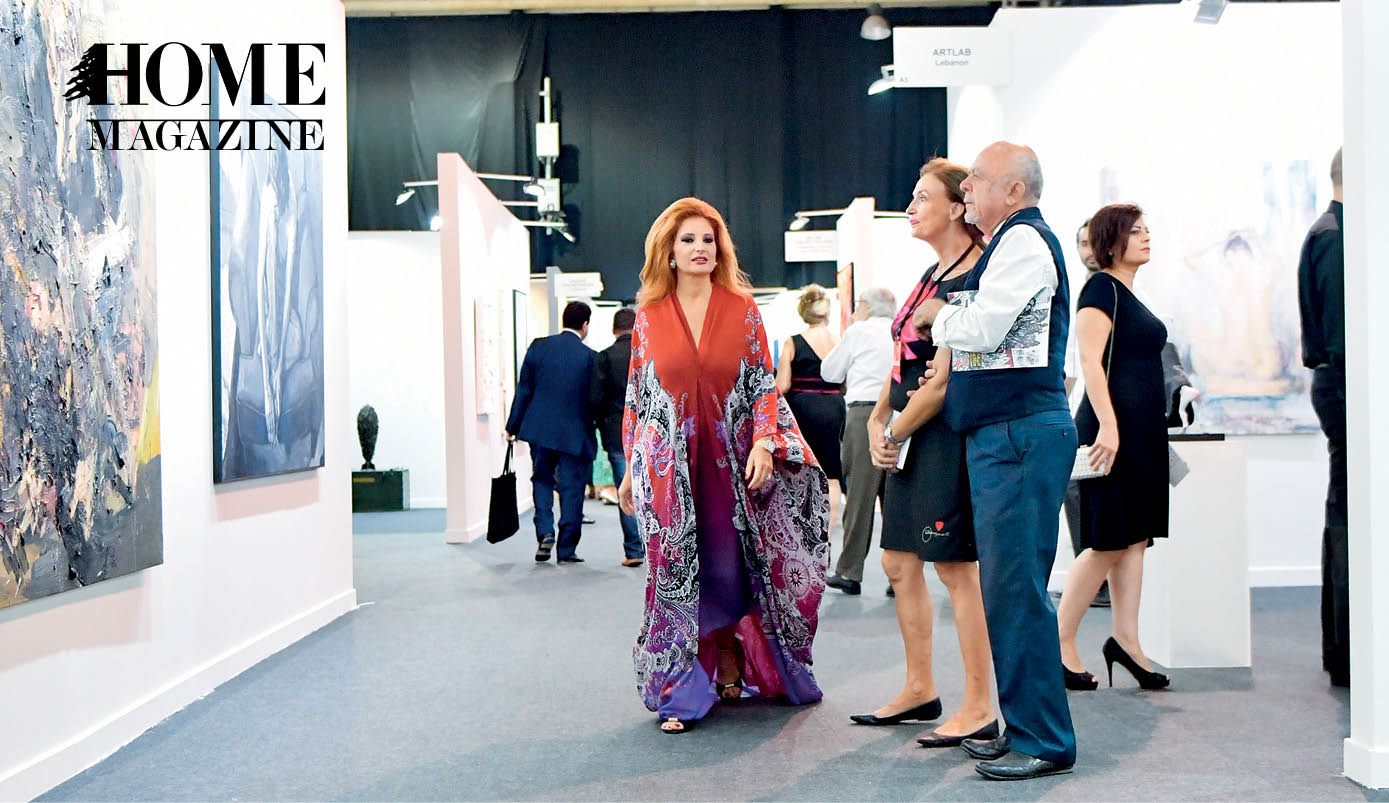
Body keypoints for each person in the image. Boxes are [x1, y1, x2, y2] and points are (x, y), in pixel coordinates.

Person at [617, 197, 830, 734]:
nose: (700, 249)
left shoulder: (742, 309)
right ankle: (682, 688)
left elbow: (762, 383)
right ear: (668, 251)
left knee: (731, 565)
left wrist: (764, 443)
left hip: (732, 464)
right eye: (688, 240)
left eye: (708, 240)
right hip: (671, 470)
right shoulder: (648, 318)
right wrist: (628, 469)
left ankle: (732, 655)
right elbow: (638, 398)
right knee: (676, 569)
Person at [911, 142, 1076, 781]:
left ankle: (1044, 739)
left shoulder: (1024, 242)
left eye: (978, 178)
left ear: (1013, 190)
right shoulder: (1011, 243)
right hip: (1005, 434)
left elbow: (984, 327)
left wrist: (939, 314)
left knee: (1016, 591)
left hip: (1018, 434)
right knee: (1005, 592)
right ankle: (1024, 726)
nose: (968, 187)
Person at [854, 158, 999, 750]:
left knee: (955, 569)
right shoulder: (929, 275)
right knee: (897, 561)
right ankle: (920, 688)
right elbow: (904, 363)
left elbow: (942, 383)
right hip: (910, 434)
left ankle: (980, 705)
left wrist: (892, 431)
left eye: (922, 197)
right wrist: (877, 419)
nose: (911, 208)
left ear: (958, 207)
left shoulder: (973, 278)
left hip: (943, 436)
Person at [1055, 204, 1171, 694]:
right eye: (1135, 231)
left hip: (1140, 432)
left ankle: (1127, 642)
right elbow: (1089, 359)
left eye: (1147, 230)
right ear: (1112, 241)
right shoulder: (1100, 288)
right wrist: (1108, 425)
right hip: (1113, 432)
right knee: (1106, 540)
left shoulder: (1126, 293)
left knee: (1134, 538)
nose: (1146, 237)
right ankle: (1058, 643)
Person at [1297, 147, 1347, 688]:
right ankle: (1346, 649)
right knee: (1347, 515)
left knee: (1346, 510)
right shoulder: (1334, 237)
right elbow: (1339, 335)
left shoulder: (1329, 231)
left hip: (1339, 385)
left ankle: (1346, 648)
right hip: (1343, 388)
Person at [506, 301, 598, 564]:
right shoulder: (590, 357)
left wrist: (512, 425)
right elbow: (594, 400)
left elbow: (524, 389)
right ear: (585, 325)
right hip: (575, 433)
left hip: (540, 430)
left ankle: (545, 531)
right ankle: (566, 549)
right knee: (572, 489)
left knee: (542, 479)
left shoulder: (539, 347)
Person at [820, 287, 896, 596]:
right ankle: (900, 575)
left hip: (865, 413)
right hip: (902, 414)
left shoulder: (859, 331)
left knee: (860, 495)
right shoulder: (899, 331)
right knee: (895, 498)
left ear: (865, 306)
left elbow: (829, 371)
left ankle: (849, 571)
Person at [1062, 221, 1110, 608]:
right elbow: (1072, 362)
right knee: (1075, 486)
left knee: (1084, 486)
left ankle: (1096, 579)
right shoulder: (1081, 292)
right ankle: (1092, 578)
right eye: (1082, 243)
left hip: (1104, 406)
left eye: (1094, 242)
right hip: (1081, 405)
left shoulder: (1114, 292)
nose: (1088, 250)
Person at [777, 285, 845, 536]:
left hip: (803, 409)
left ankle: (804, 525)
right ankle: (829, 529)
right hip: (834, 406)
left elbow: (783, 384)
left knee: (803, 466)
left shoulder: (793, 341)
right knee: (832, 472)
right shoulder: (839, 341)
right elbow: (843, 381)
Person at [589, 307, 644, 567]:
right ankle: (657, 548)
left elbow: (596, 399)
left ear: (614, 329)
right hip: (650, 432)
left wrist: (600, 424)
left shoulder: (605, 357)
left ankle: (634, 550)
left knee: (627, 489)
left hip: (617, 433)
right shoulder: (647, 353)